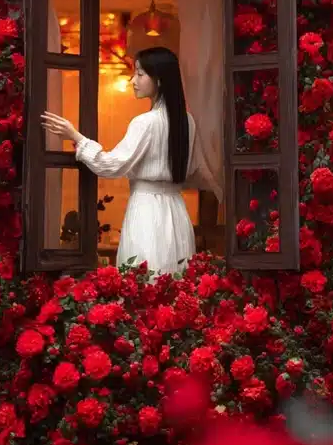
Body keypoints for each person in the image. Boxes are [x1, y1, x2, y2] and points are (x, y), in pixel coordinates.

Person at [42, 46, 222, 276]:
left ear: (159, 79)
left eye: (139, 73)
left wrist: (75, 136)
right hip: (176, 211)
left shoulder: (145, 122)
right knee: (173, 284)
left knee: (142, 280)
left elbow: (111, 165)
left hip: (147, 210)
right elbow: (193, 169)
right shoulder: (187, 121)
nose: (132, 80)